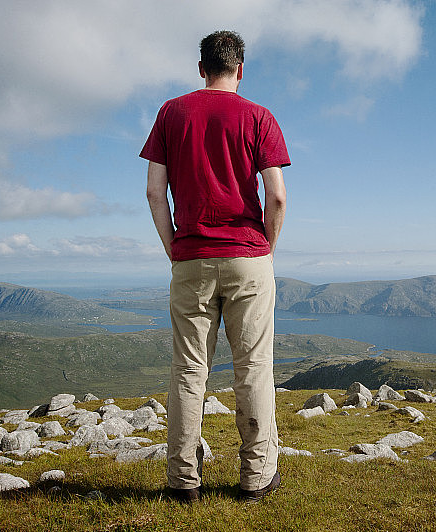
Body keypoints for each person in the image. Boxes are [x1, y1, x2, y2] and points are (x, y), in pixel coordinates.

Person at [140, 30, 289, 503]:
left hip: (191, 258)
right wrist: (265, 248)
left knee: (189, 370)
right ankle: (256, 478)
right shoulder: (259, 117)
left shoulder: (171, 113)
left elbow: (152, 192)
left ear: (201, 67)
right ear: (240, 69)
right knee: (253, 368)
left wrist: (174, 247)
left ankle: (182, 482)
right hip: (248, 256)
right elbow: (277, 195)